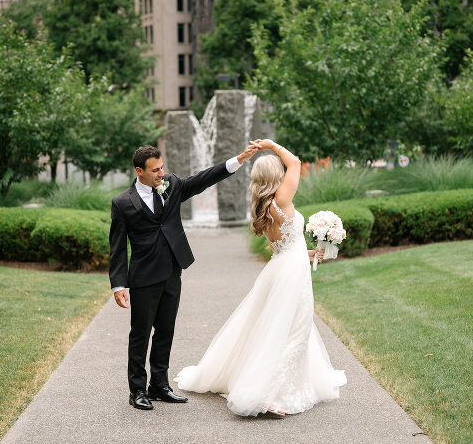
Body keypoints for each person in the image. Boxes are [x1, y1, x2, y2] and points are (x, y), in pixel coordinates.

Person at [174, 139, 347, 418]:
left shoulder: (262, 207)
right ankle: (267, 393)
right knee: (292, 329)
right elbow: (297, 162)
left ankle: (270, 383)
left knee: (274, 327)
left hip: (280, 268)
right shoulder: (282, 199)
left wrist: (311, 252)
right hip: (291, 272)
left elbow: (282, 247)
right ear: (277, 176)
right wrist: (271, 145)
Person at [109, 144, 259, 410]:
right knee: (140, 335)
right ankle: (137, 390)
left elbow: (202, 179)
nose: (161, 173)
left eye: (162, 167)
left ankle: (159, 385)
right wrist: (119, 284)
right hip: (143, 278)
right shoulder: (122, 203)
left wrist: (237, 160)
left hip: (172, 272)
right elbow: (118, 247)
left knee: (165, 331)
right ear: (138, 171)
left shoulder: (172, 184)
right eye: (155, 170)